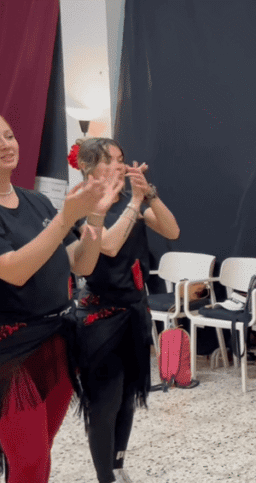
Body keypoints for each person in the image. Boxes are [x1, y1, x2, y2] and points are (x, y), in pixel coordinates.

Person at [0, 115, 117, 482]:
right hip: (10, 354)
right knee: (30, 461)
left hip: (55, 345)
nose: (6, 143)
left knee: (39, 454)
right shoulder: (50, 213)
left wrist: (95, 218)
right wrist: (66, 218)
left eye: (8, 133)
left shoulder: (35, 202)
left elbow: (80, 262)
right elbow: (15, 270)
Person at [71, 137, 180, 483]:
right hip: (100, 319)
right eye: (110, 160)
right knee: (105, 403)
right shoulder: (81, 204)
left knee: (128, 398)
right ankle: (105, 476)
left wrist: (150, 195)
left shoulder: (128, 203)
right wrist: (134, 202)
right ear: (89, 168)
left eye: (122, 159)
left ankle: (117, 467)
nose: (120, 165)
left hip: (134, 311)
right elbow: (109, 245)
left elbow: (172, 230)